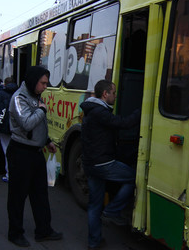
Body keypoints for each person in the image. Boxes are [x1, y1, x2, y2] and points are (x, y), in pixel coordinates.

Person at [80, 79, 140, 250]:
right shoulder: (100, 112)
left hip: (91, 164)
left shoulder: (92, 110)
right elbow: (123, 124)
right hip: (102, 164)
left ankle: (94, 242)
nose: (115, 96)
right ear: (105, 94)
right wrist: (142, 110)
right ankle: (113, 210)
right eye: (113, 93)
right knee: (133, 178)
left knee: (94, 205)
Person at [7, 66, 63, 247]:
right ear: (33, 81)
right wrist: (42, 111)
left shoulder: (34, 97)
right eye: (43, 83)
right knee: (18, 196)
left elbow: (38, 126)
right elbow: (26, 123)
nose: (45, 87)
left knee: (40, 194)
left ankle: (44, 230)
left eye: (47, 83)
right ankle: (15, 233)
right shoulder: (19, 98)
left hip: (36, 152)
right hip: (21, 153)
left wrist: (46, 141)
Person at [0, 77, 18, 180]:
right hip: (17, 126)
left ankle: (9, 174)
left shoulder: (1, 94)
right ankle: (16, 173)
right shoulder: (19, 93)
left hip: (4, 126)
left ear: (4, 84)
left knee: (6, 150)